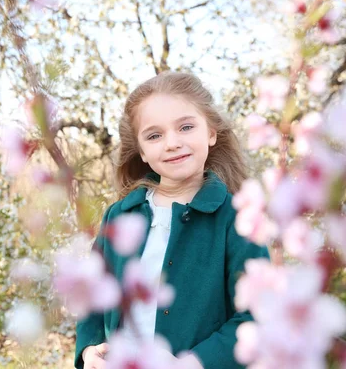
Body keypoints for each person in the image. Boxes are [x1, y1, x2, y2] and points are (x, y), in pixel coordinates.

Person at [75, 72, 270, 369]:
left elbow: (257, 316)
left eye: (186, 127)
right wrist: (89, 349)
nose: (172, 143)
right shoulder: (120, 215)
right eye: (155, 135)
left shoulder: (239, 218)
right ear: (141, 151)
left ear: (211, 133)